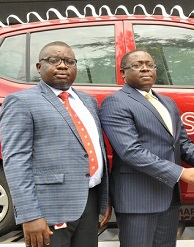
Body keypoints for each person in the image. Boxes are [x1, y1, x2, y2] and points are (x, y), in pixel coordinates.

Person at [99, 49, 194, 247]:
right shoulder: (116, 102)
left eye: (150, 64)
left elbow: (182, 144)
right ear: (123, 73)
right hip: (138, 200)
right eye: (137, 65)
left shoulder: (167, 103)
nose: (145, 68)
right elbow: (131, 151)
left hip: (169, 197)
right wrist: (181, 173)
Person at [0, 41, 111, 247]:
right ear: (39, 67)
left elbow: (97, 150)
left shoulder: (88, 101)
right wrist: (30, 215)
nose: (62, 65)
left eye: (69, 61)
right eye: (54, 60)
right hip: (49, 209)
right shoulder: (21, 102)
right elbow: (16, 161)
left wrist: (104, 200)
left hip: (89, 202)